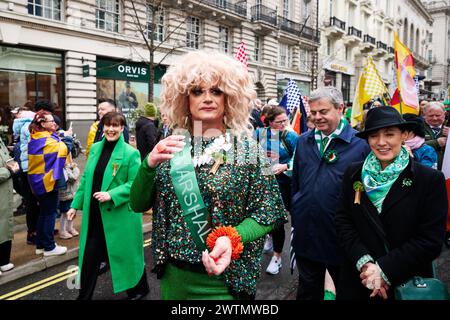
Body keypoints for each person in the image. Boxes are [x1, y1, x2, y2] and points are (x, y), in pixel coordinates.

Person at [129, 50, 287, 300]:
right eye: (197, 91)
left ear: (229, 98)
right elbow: (137, 204)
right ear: (184, 98)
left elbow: (270, 212)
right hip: (176, 278)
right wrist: (148, 165)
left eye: (216, 91)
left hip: (228, 279)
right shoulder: (172, 145)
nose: (207, 98)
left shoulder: (248, 149)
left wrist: (232, 238)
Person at [335, 106, 448, 300]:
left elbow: (430, 240)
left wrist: (383, 270)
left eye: (389, 134)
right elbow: (343, 220)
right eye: (373, 136)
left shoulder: (429, 179)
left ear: (404, 135)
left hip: (405, 282)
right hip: (359, 279)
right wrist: (366, 264)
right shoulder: (353, 172)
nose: (381, 143)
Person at [291, 86, 370, 300]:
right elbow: (296, 180)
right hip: (307, 232)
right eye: (313, 113)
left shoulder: (361, 144)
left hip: (341, 236)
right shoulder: (303, 140)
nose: (317, 117)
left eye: (323, 111)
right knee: (308, 290)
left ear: (340, 109)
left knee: (347, 292)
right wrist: (298, 206)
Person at [67, 112, 149, 300]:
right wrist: (74, 205)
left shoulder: (131, 153)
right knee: (88, 259)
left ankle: (140, 289)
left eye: (116, 125)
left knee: (126, 255)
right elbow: (87, 178)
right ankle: (84, 296)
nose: (111, 129)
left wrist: (111, 194)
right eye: (107, 125)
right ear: (102, 127)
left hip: (120, 216)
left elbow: (135, 184)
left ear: (122, 128)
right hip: (95, 215)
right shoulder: (95, 148)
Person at [254, 106, 298, 275]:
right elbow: (250, 155)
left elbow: (300, 157)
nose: (283, 124)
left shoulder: (291, 137)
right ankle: (270, 238)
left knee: (278, 219)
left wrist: (286, 165)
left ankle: (277, 258)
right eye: (279, 122)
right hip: (262, 183)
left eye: (285, 121)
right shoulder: (259, 135)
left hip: (283, 184)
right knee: (265, 216)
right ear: (269, 122)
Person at [28, 111, 73, 256]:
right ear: (42, 124)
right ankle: (49, 247)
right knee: (50, 214)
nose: (54, 123)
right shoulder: (45, 139)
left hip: (38, 181)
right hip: (47, 181)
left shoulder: (36, 137)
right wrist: (67, 137)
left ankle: (41, 245)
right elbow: (64, 150)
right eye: (51, 121)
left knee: (44, 213)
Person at [0, 138, 20, 275]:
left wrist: (11, 166)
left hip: (4, 193)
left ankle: (3, 261)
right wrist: (9, 171)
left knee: (4, 225)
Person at [58, 154, 80, 239]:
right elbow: (73, 177)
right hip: (65, 195)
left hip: (71, 193)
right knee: (64, 213)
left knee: (72, 212)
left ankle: (70, 228)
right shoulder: (64, 170)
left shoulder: (66, 167)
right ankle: (63, 231)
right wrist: (74, 168)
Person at [423, 102, 448, 170]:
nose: (434, 118)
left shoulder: (448, 127)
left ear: (444, 114)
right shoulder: (417, 127)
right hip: (425, 170)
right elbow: (412, 147)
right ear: (424, 115)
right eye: (431, 115)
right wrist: (436, 143)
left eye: (438, 115)